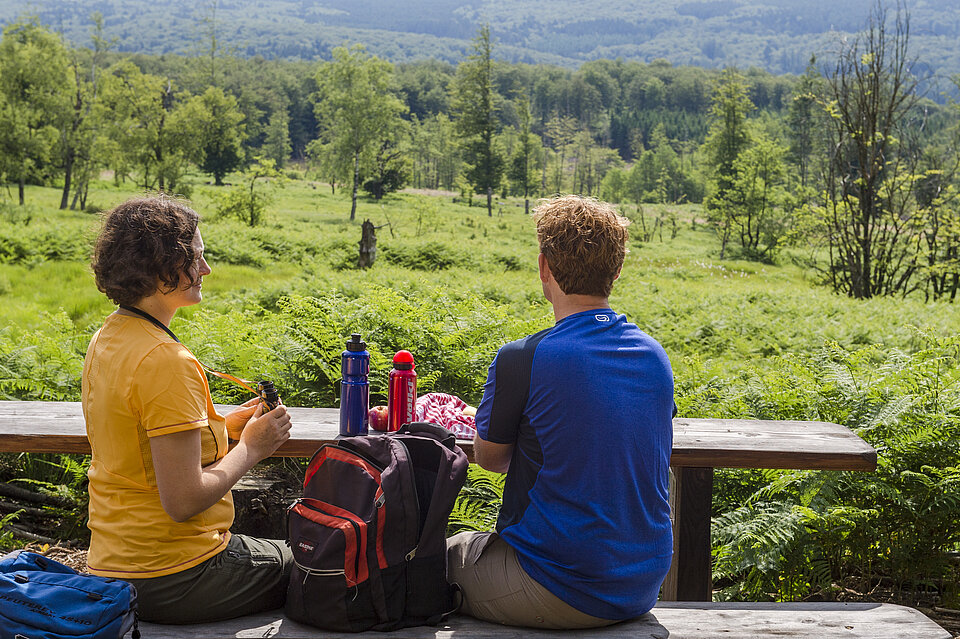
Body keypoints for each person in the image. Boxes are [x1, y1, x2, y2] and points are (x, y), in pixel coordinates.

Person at [446, 195, 675, 629]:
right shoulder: (653, 355)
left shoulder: (522, 359)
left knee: (427, 562)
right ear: (618, 268)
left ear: (544, 267)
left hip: (560, 585)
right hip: (642, 584)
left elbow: (491, 460)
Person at [82, 196, 293, 623]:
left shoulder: (111, 335)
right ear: (157, 266)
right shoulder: (165, 360)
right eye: (195, 256)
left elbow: (138, 440)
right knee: (322, 562)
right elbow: (182, 501)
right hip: (176, 574)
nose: (207, 269)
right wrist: (252, 447)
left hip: (116, 564)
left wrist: (224, 425)